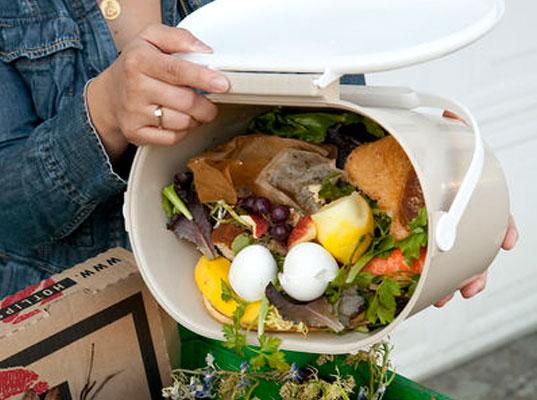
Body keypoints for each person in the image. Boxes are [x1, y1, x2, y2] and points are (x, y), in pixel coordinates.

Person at [0, 0, 517, 301]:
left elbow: (335, 128)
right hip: (82, 342)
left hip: (283, 339)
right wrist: (105, 113)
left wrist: (431, 176)